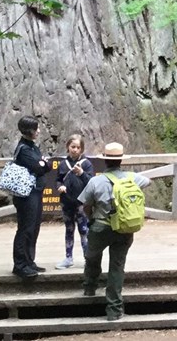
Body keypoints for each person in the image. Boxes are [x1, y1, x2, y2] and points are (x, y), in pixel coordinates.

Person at [77, 141, 150, 321]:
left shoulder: (96, 181)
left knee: (92, 256)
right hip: (124, 228)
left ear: (105, 161)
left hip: (101, 226)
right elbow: (148, 181)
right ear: (121, 161)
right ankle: (114, 310)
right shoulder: (133, 178)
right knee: (117, 267)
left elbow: (85, 206)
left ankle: (90, 287)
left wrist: (91, 218)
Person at [10, 114, 51, 280]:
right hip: (26, 194)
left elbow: (43, 164)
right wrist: (42, 163)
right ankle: (20, 265)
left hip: (35, 191)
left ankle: (29, 260)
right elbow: (40, 167)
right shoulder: (24, 149)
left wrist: (43, 163)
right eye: (36, 128)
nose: (39, 131)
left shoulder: (32, 147)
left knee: (34, 228)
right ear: (29, 131)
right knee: (25, 228)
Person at [54, 133, 95, 269]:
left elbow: (91, 182)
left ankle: (87, 258)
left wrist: (82, 173)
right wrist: (60, 187)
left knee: (84, 230)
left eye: (78, 147)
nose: (75, 150)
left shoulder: (86, 164)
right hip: (66, 202)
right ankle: (68, 257)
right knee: (69, 229)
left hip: (82, 203)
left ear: (82, 149)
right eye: (73, 147)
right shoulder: (63, 164)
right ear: (68, 147)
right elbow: (58, 180)